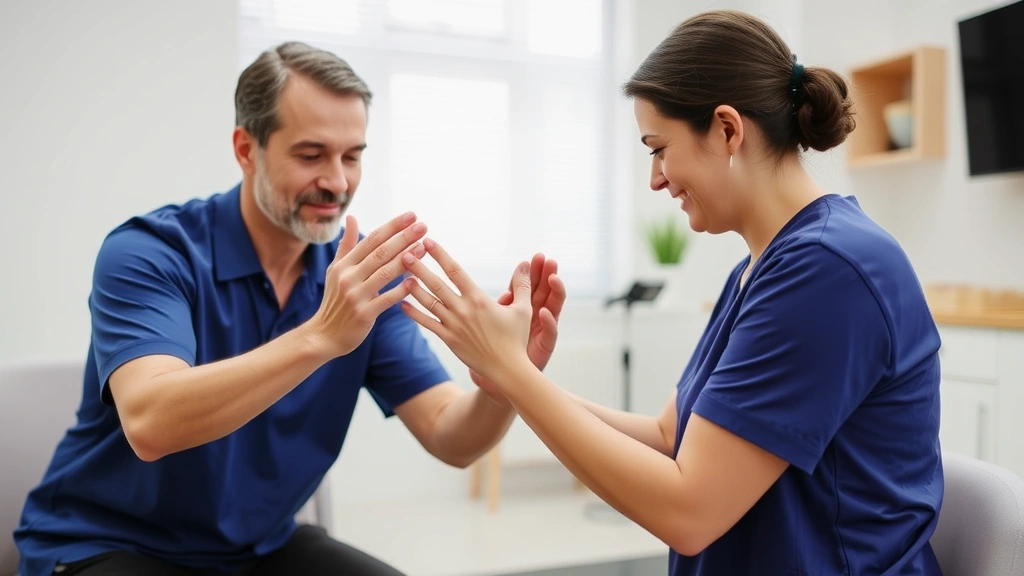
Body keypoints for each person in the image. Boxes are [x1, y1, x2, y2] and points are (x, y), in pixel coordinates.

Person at [397, 9, 944, 576]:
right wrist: (520, 381)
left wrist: (512, 374)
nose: (655, 178)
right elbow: (668, 437)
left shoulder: (828, 270)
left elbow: (689, 510)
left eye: (659, 148)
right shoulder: (762, 268)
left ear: (728, 129)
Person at [13, 41, 565, 576]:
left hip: (260, 551)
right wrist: (322, 334)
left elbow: (451, 435)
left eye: (352, 156)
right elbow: (151, 423)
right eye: (311, 155)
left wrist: (505, 381)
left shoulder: (362, 277)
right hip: (106, 544)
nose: (338, 181)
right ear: (246, 149)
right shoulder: (149, 254)